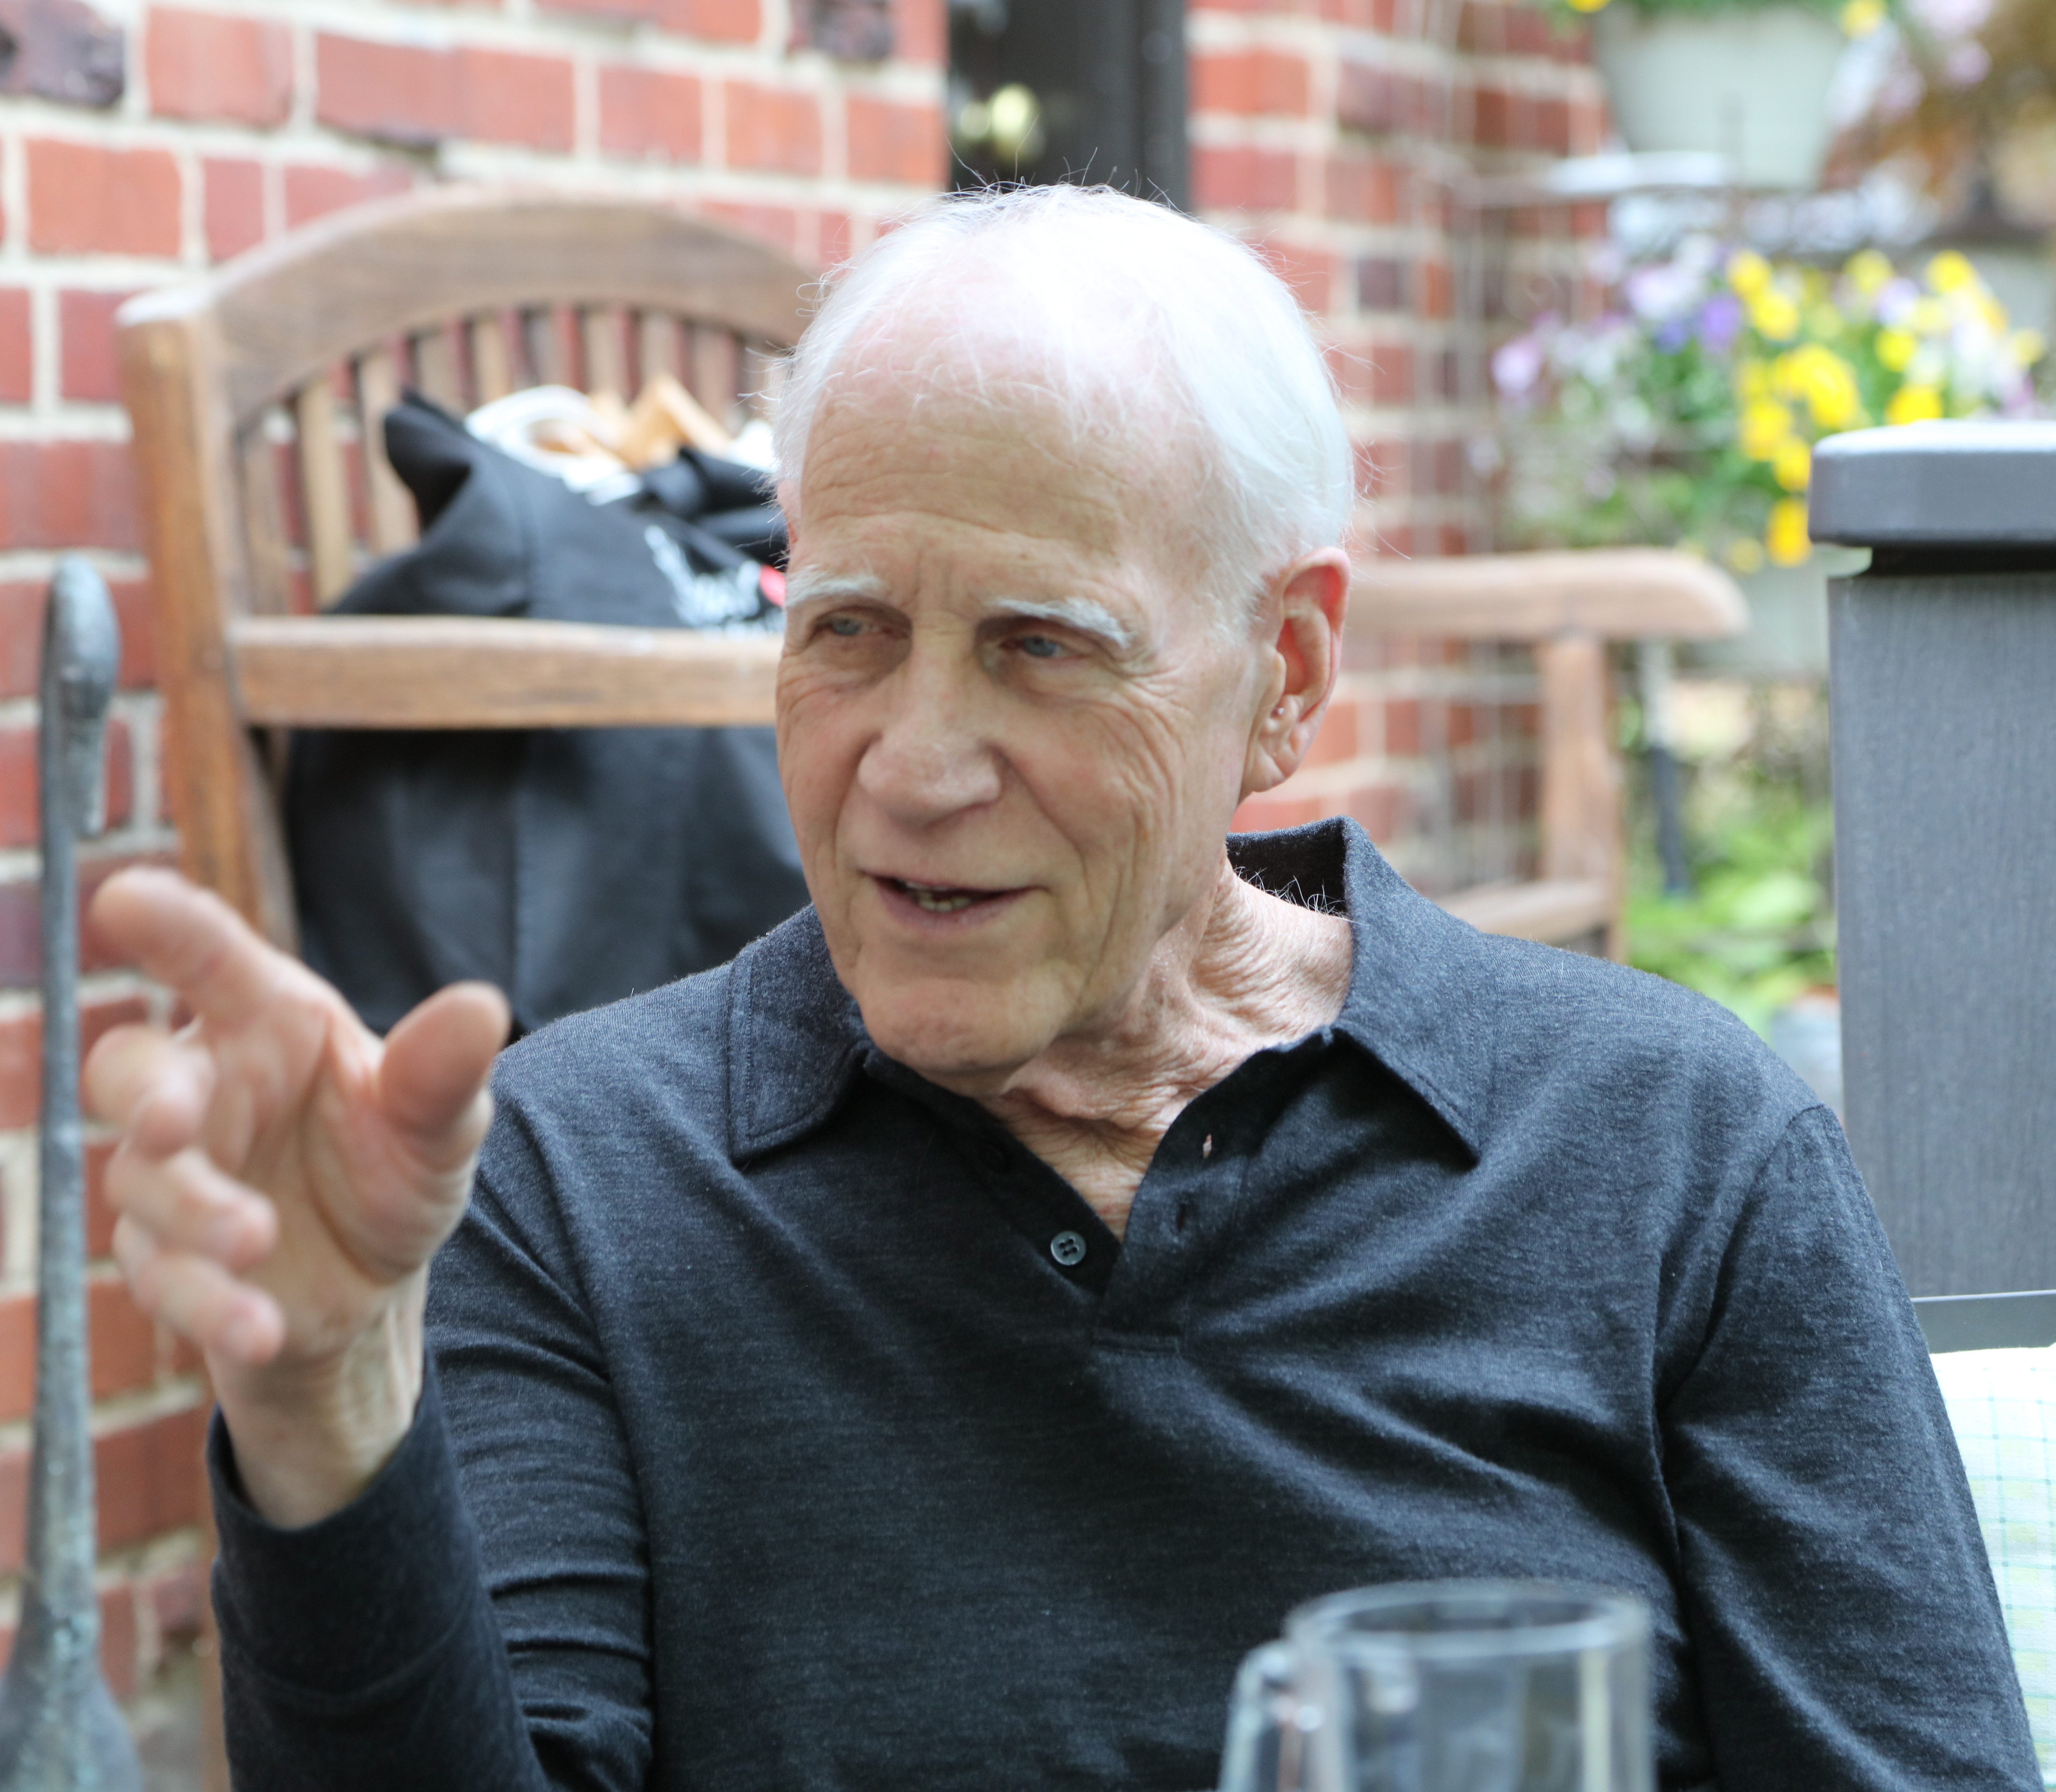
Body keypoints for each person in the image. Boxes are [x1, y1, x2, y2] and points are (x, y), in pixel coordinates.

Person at [86, 186, 2034, 1792]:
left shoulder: (1666, 1147)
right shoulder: (575, 1181)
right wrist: (330, 1401)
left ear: (1284, 672)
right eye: (848, 629)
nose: (914, 763)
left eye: (1039, 645)